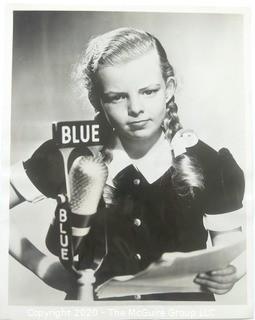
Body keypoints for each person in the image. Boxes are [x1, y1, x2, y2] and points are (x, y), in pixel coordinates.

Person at [9, 27, 246, 301]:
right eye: (117, 97)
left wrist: (232, 271)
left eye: (148, 91)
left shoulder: (206, 161)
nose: (135, 108)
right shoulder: (68, 154)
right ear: (97, 100)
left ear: (168, 89)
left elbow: (228, 240)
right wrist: (45, 269)